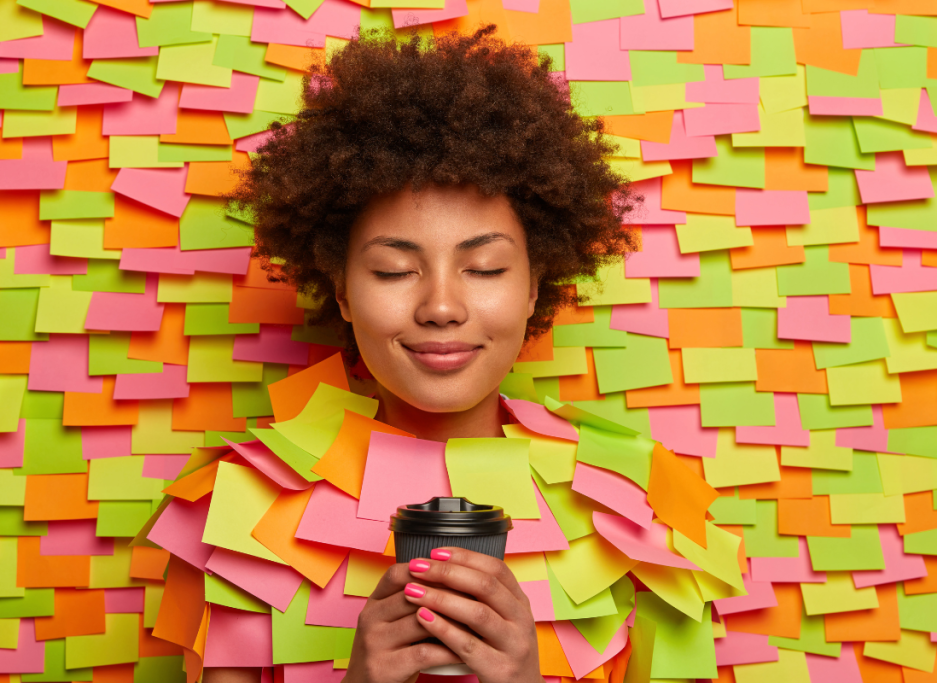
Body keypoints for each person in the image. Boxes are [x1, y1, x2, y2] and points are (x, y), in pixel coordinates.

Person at [205, 22, 639, 683]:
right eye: (392, 270)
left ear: (535, 288)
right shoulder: (246, 502)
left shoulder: (626, 506)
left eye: (486, 267)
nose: (441, 305)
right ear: (341, 290)